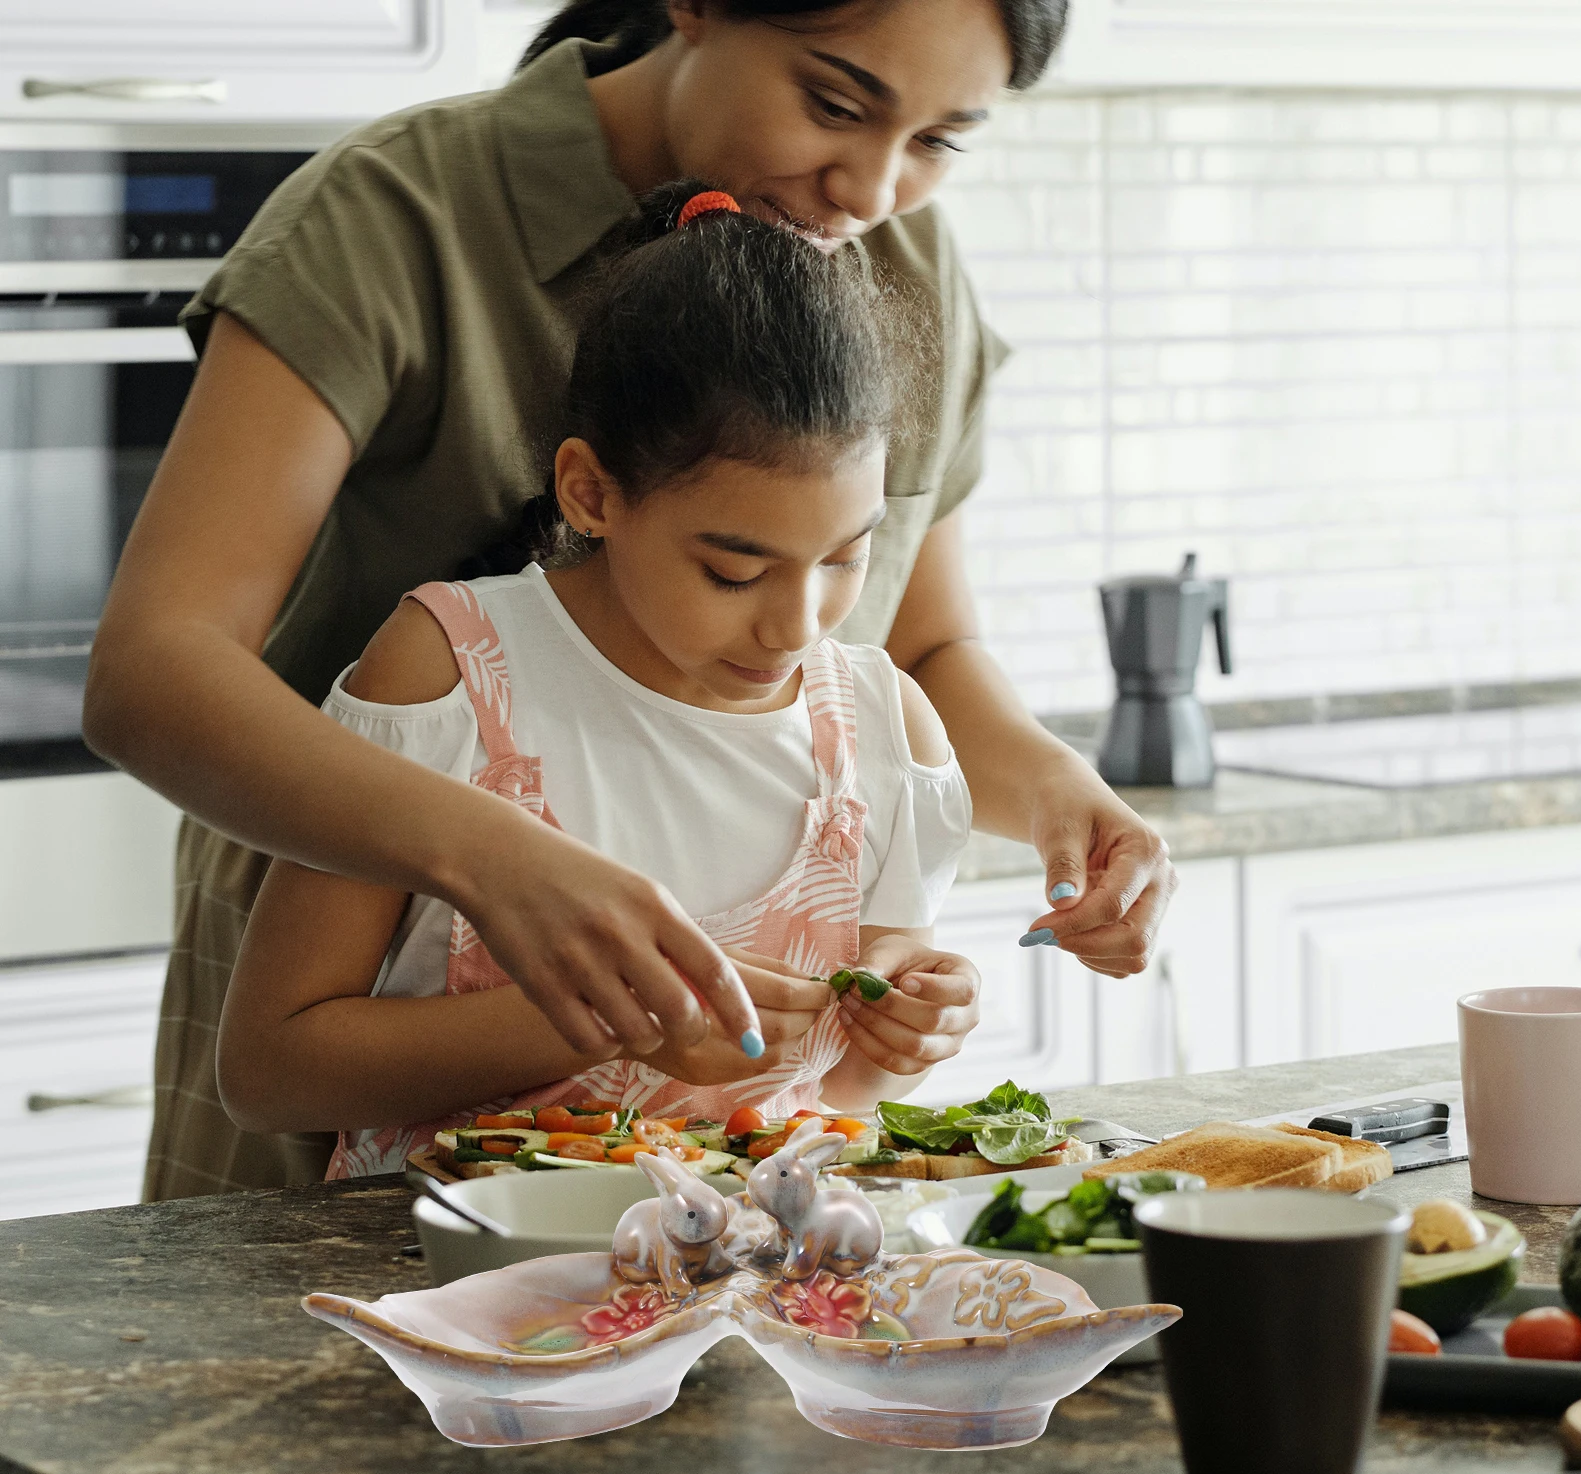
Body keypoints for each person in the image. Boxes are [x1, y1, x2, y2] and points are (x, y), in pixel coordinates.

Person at [85, 0, 1176, 1201]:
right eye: (833, 102)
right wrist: (498, 856)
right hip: (351, 999)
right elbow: (154, 671)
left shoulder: (900, 264)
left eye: (936, 141)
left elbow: (918, 649)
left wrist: (1064, 798)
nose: (869, 192)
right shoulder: (399, 214)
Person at [217, 185, 977, 1171]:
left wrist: (903, 1032)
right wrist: (605, 1022)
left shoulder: (883, 730)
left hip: (762, 1262)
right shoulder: (451, 674)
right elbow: (268, 1071)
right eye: (733, 571)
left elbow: (841, 1098)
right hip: (448, 1262)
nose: (798, 625)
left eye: (845, 556)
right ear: (590, 492)